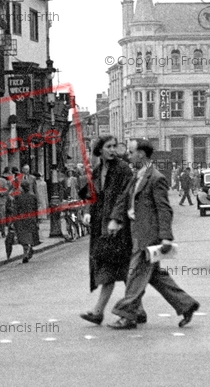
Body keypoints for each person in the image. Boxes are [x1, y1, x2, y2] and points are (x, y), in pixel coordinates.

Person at [107, 140, 200, 329]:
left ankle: (127, 315)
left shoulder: (156, 178)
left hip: (148, 235)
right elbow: (124, 199)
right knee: (156, 276)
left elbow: (164, 210)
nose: (128, 156)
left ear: (141, 154)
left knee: (134, 275)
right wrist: (116, 219)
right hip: (136, 232)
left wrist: (166, 236)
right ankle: (186, 304)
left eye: (131, 152)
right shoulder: (137, 176)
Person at [78, 135, 146, 326]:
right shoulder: (99, 169)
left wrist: (116, 220)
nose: (113, 150)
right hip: (103, 226)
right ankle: (135, 310)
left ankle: (106, 312)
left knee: (117, 270)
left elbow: (125, 197)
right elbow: (91, 194)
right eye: (108, 146)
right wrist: (87, 212)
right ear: (99, 150)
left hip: (118, 227)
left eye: (115, 146)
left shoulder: (122, 169)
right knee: (116, 270)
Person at [12, 179, 38, 263]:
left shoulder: (18, 196)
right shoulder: (33, 196)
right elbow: (35, 208)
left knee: (22, 236)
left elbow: (15, 208)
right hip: (30, 218)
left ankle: (26, 252)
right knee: (29, 234)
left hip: (21, 218)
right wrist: (36, 219)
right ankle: (28, 250)